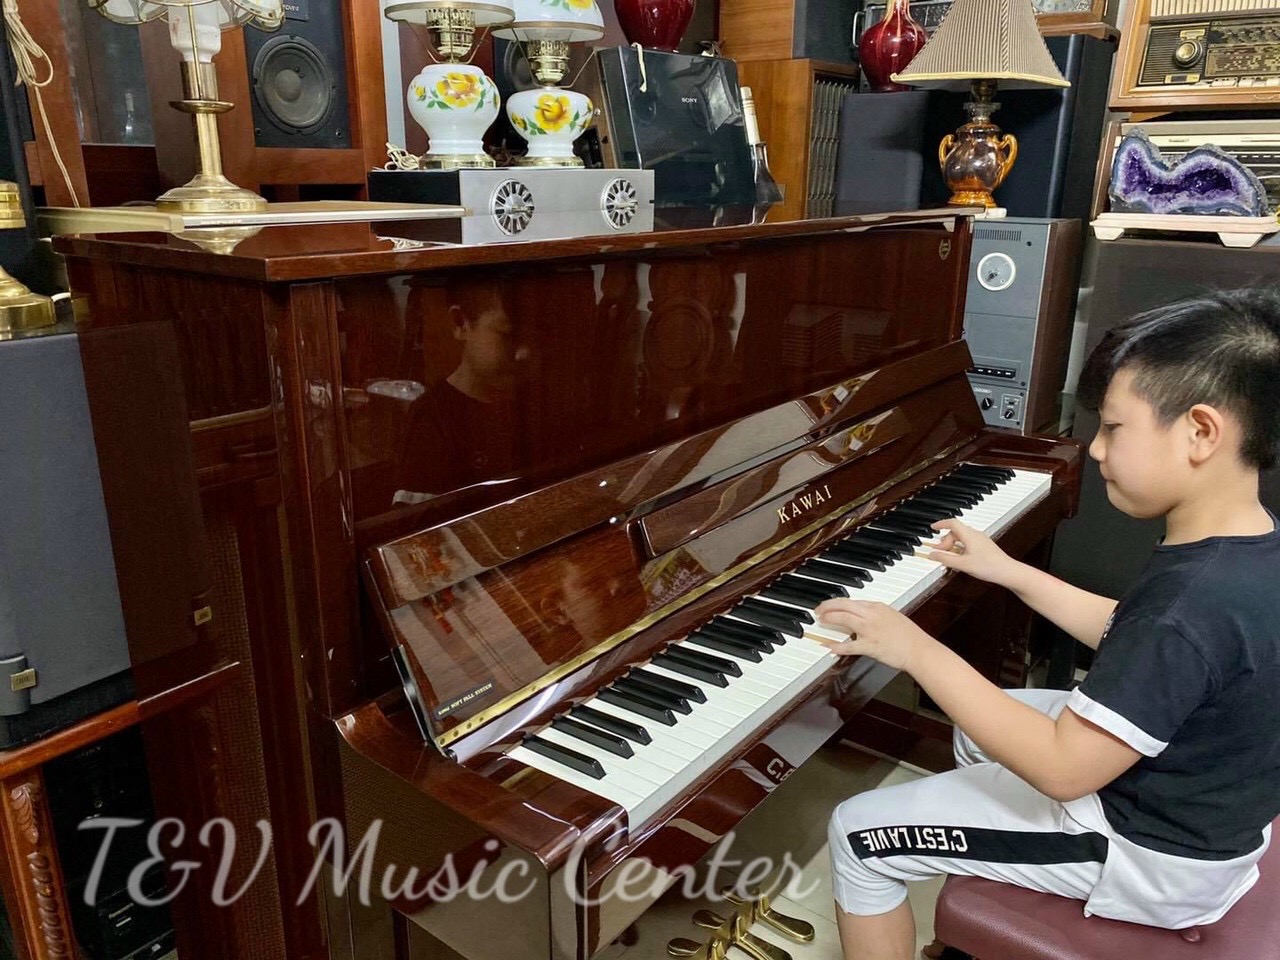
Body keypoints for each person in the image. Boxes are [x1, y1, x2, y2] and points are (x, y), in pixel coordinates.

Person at [816, 289, 1280, 960]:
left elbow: (1064, 770)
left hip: (1151, 854)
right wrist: (1010, 571)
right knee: (981, 730)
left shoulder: (1190, 603)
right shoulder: (1247, 546)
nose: (1095, 449)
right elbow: (1133, 633)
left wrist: (914, 648)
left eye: (1113, 428)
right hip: (1207, 807)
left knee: (858, 832)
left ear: (1201, 432)